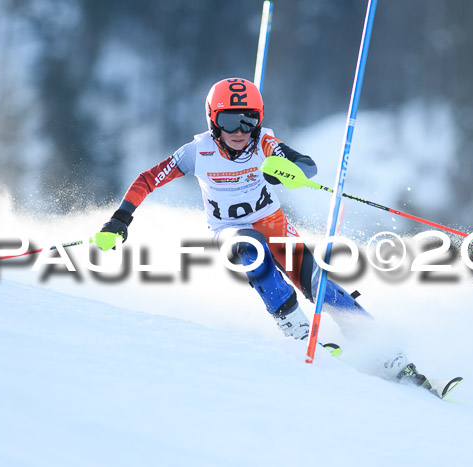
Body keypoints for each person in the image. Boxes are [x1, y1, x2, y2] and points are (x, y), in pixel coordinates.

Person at [94, 77, 431, 389]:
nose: (240, 131)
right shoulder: (197, 153)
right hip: (229, 231)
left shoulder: (264, 143)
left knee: (317, 283)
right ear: (213, 120)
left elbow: (305, 164)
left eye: (249, 120)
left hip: (274, 223)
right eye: (229, 121)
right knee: (250, 246)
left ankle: (385, 353)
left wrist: (288, 171)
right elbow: (148, 179)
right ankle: (296, 328)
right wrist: (121, 219)